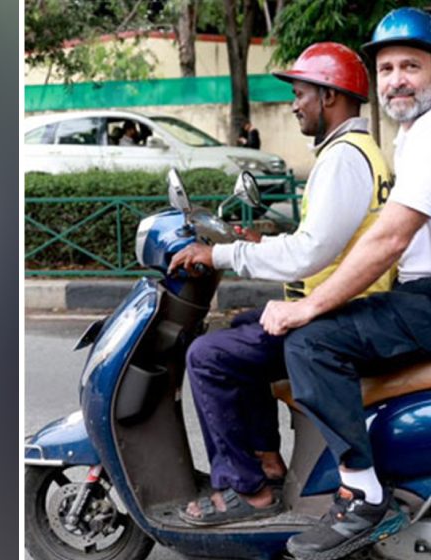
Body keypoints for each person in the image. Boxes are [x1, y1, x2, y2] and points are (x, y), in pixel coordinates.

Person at [258, 7, 431, 560]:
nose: (397, 79)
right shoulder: (422, 127)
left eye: (412, 66)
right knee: (332, 323)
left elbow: (390, 239)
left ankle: (362, 492)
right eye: (387, 68)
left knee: (312, 342)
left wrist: (311, 308)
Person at [166, 42, 395, 526]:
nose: (294, 105)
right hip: (347, 306)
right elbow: (326, 242)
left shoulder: (342, 159)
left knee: (207, 357)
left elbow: (312, 252)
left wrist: (224, 253)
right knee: (235, 329)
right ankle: (267, 461)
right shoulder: (360, 151)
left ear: (329, 96)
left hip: (337, 317)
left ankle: (245, 490)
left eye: (300, 94)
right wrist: (263, 240)